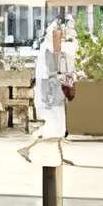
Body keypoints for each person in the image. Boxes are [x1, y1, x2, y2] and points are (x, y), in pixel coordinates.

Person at [22, 17, 74, 159]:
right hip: (52, 92)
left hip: (53, 91)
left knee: (58, 126)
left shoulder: (49, 47)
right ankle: (29, 148)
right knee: (55, 126)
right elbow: (51, 72)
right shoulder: (49, 48)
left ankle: (60, 155)